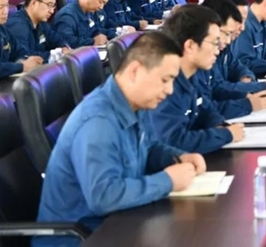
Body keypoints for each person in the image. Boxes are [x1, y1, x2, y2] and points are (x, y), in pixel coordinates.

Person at [34, 32, 204, 247]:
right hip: (80, 238)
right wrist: (168, 180)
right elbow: (104, 197)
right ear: (135, 71)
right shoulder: (98, 122)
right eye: (165, 80)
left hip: (117, 224)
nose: (170, 90)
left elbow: (148, 147)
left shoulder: (136, 103)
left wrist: (177, 157)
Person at [146, 5, 244, 154]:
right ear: (190, 46)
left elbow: (205, 109)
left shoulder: (191, 75)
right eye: (214, 43)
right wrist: (225, 135)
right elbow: (173, 141)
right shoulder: (165, 84)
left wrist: (219, 125)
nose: (218, 51)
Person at [197, 0, 266, 119]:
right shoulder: (201, 58)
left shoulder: (223, 46)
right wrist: (250, 101)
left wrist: (246, 79)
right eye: (238, 21)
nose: (242, 27)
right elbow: (215, 94)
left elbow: (236, 66)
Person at [218, 0, 266, 91]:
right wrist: (261, 86)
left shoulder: (263, 24)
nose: (242, 27)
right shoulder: (215, 47)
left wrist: (246, 77)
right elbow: (217, 89)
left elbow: (237, 65)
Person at [6, 0, 70, 61]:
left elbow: (57, 39)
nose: (52, 11)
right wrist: (56, 54)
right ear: (34, 3)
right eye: (49, 5)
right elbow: (26, 56)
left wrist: (64, 47)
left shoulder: (42, 22)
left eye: (53, 6)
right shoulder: (17, 25)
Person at [51, 0, 115, 48]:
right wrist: (93, 41)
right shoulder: (67, 16)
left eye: (104, 3)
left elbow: (95, 30)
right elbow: (66, 41)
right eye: (100, 2)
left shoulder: (90, 11)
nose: (101, 7)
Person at [0, 0, 42, 77]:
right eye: (0, 7)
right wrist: (21, 66)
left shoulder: (3, 29)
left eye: (7, 6)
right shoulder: (18, 23)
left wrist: (26, 60)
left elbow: (20, 50)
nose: (5, 11)